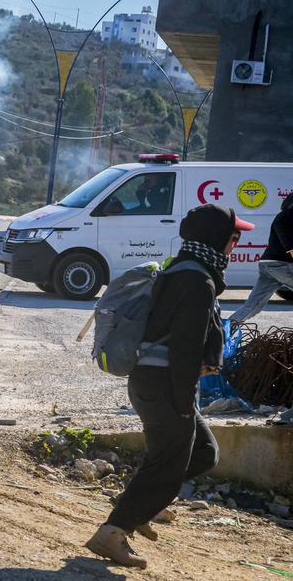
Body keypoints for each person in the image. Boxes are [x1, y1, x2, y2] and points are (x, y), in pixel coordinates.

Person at [86, 204, 254, 568]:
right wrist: (182, 402)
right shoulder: (196, 281)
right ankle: (112, 533)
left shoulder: (186, 270)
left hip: (158, 382)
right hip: (164, 385)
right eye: (234, 237)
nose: (235, 245)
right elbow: (184, 348)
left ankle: (140, 507)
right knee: (168, 462)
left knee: (203, 452)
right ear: (216, 238)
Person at [230, 194, 293, 323]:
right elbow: (289, 246)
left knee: (252, 306)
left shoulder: (283, 216)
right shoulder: (286, 216)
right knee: (252, 306)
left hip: (269, 265)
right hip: (279, 265)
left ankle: (224, 330)